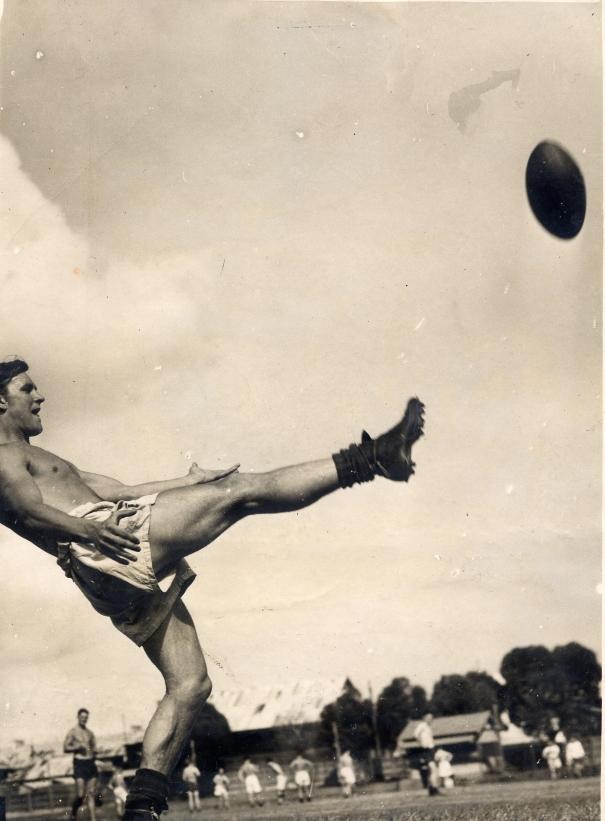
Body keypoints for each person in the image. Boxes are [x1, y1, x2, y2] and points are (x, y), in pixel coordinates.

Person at [0, 355, 425, 821]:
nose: (39, 396)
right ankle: (373, 458)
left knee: (190, 684)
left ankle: (142, 807)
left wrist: (186, 482)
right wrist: (90, 534)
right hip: (102, 544)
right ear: (0, 400)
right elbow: (27, 511)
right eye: (27, 389)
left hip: (105, 559)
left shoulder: (44, 458)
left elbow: (121, 490)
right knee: (239, 493)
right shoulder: (3, 455)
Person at [63, 708, 99, 821]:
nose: (84, 719)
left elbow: (94, 748)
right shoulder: (73, 732)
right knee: (80, 795)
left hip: (90, 763)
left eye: (86, 717)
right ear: (78, 717)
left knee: (91, 794)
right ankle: (73, 814)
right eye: (82, 717)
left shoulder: (90, 733)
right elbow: (65, 747)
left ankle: (93, 819)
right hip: (79, 763)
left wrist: (95, 752)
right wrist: (77, 747)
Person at [413, 713, 440, 797]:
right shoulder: (422, 725)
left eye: (432, 718)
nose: (430, 719)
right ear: (424, 718)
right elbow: (415, 734)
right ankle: (433, 789)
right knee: (433, 769)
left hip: (431, 749)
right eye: (429, 718)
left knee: (433, 770)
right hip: (426, 749)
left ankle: (433, 789)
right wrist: (421, 743)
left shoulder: (428, 727)